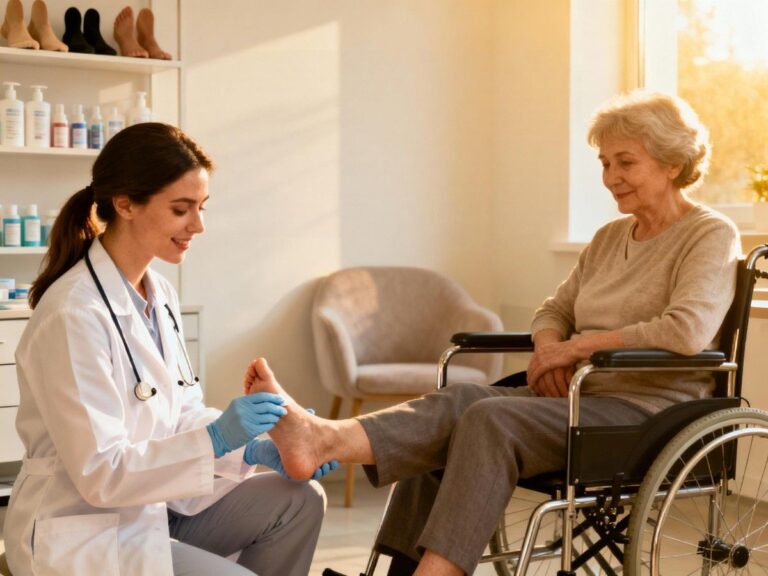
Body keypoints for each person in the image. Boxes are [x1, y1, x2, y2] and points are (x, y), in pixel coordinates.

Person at [241, 91, 741, 576]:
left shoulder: (709, 233)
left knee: (489, 419)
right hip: (577, 399)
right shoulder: (610, 237)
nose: (610, 177)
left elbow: (686, 330)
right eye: (605, 163)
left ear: (673, 163)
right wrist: (549, 350)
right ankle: (327, 447)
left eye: (625, 163)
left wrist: (575, 349)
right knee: (457, 403)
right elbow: (554, 310)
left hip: (648, 413)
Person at [3, 123, 336, 576]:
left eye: (201, 207)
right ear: (125, 204)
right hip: (83, 530)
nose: (198, 225)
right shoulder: (73, 314)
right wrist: (217, 438)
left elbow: (179, 412)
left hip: (150, 509)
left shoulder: (158, 294)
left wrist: (250, 447)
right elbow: (101, 473)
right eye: (181, 209)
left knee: (298, 500)